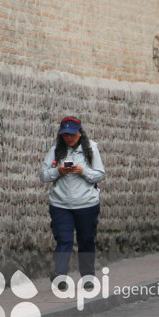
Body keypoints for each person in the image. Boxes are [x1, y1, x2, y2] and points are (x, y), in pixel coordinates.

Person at [39, 117, 106, 289]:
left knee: (86, 240)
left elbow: (99, 174)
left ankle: (88, 277)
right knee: (64, 239)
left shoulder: (91, 148)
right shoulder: (55, 150)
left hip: (86, 204)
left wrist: (83, 171)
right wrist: (58, 171)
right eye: (65, 135)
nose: (69, 138)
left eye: (72, 134)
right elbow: (44, 175)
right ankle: (60, 275)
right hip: (60, 204)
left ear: (80, 132)